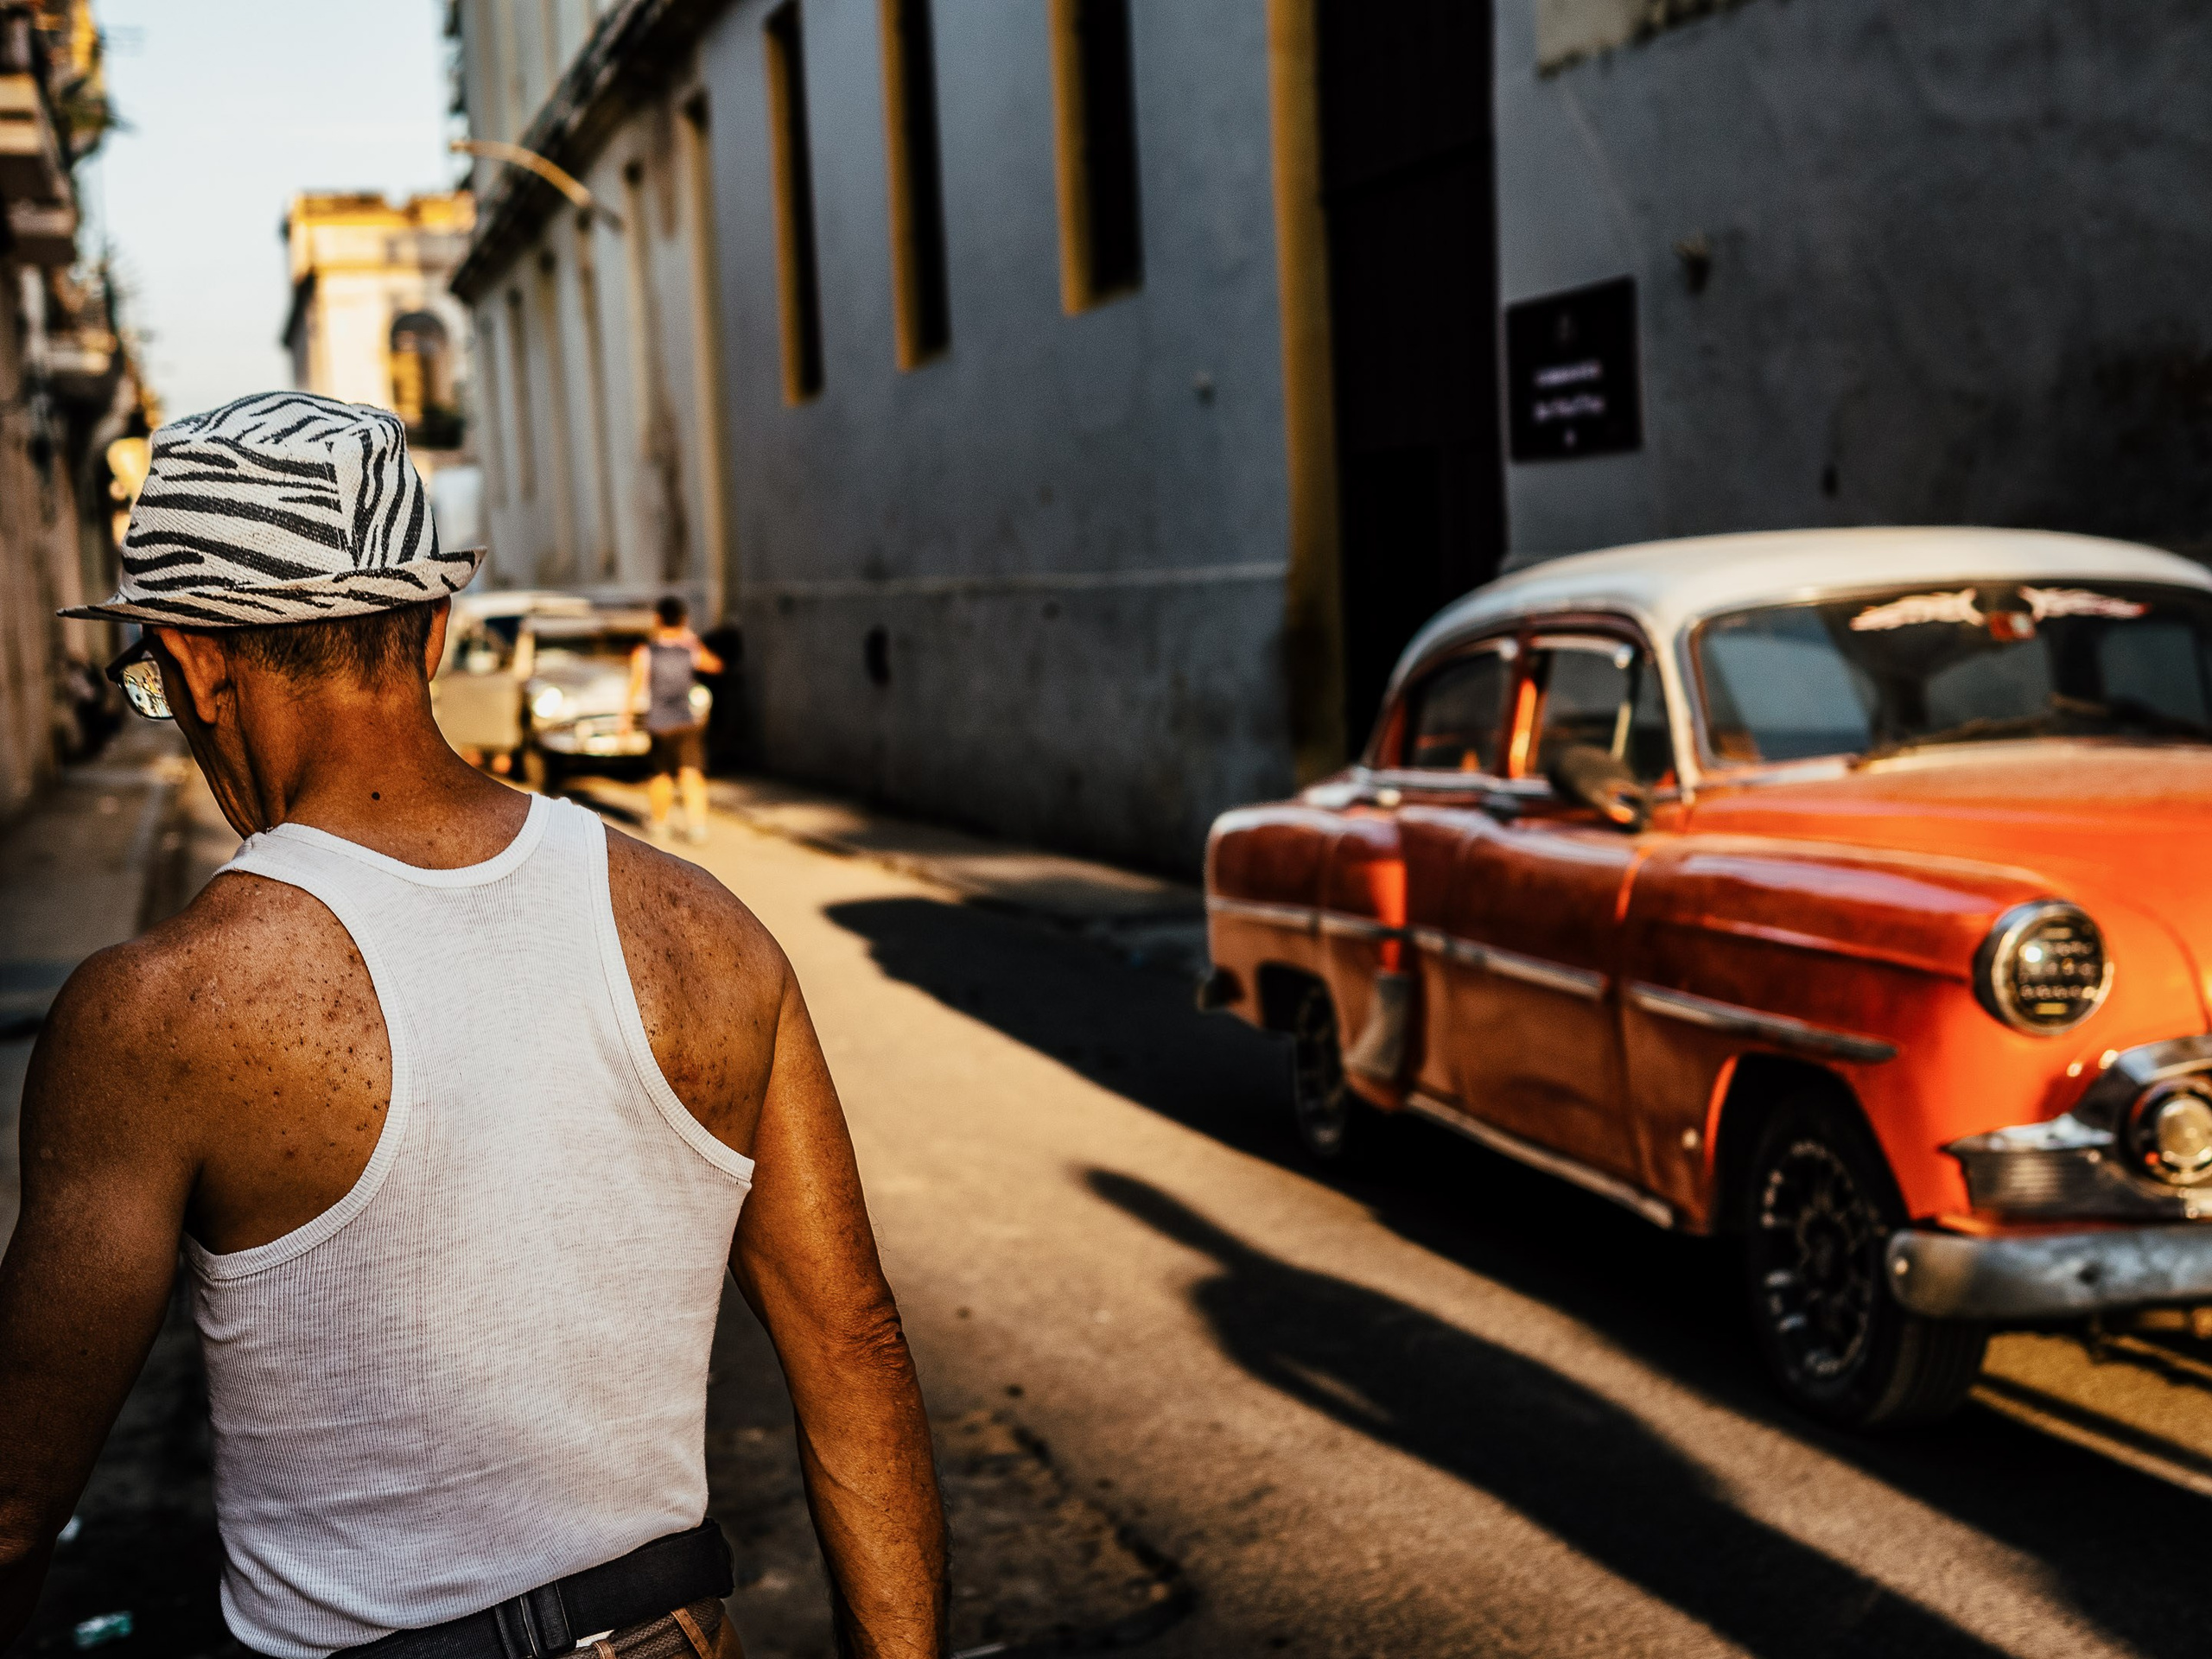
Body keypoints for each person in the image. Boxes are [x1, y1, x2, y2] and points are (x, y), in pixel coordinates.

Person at [0, 393, 947, 1659]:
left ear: (202, 662)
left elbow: (15, 1500)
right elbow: (856, 1344)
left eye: (155, 681)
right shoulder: (710, 931)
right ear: (433, 632)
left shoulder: (159, 1014)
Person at [626, 597, 723, 844]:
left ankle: (660, 824)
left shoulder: (646, 652)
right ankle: (697, 827)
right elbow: (715, 666)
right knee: (692, 774)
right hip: (686, 720)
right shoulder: (690, 650)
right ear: (683, 620)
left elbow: (635, 687)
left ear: (657, 620)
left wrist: (625, 720)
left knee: (661, 775)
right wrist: (692, 639)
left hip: (659, 723)